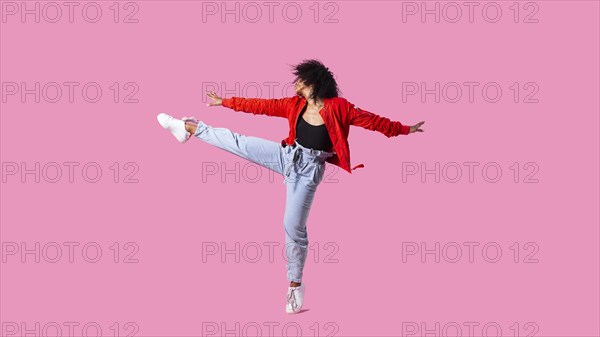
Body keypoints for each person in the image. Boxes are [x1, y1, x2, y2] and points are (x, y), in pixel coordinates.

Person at [156, 59, 425, 314]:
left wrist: (405, 129)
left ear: (314, 84)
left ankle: (295, 285)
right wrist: (224, 102)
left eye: (300, 82)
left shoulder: (340, 107)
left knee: (292, 227)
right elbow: (262, 105)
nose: (296, 85)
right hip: (286, 155)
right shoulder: (294, 105)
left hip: (307, 173)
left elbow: (373, 121)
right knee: (239, 142)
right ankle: (188, 127)